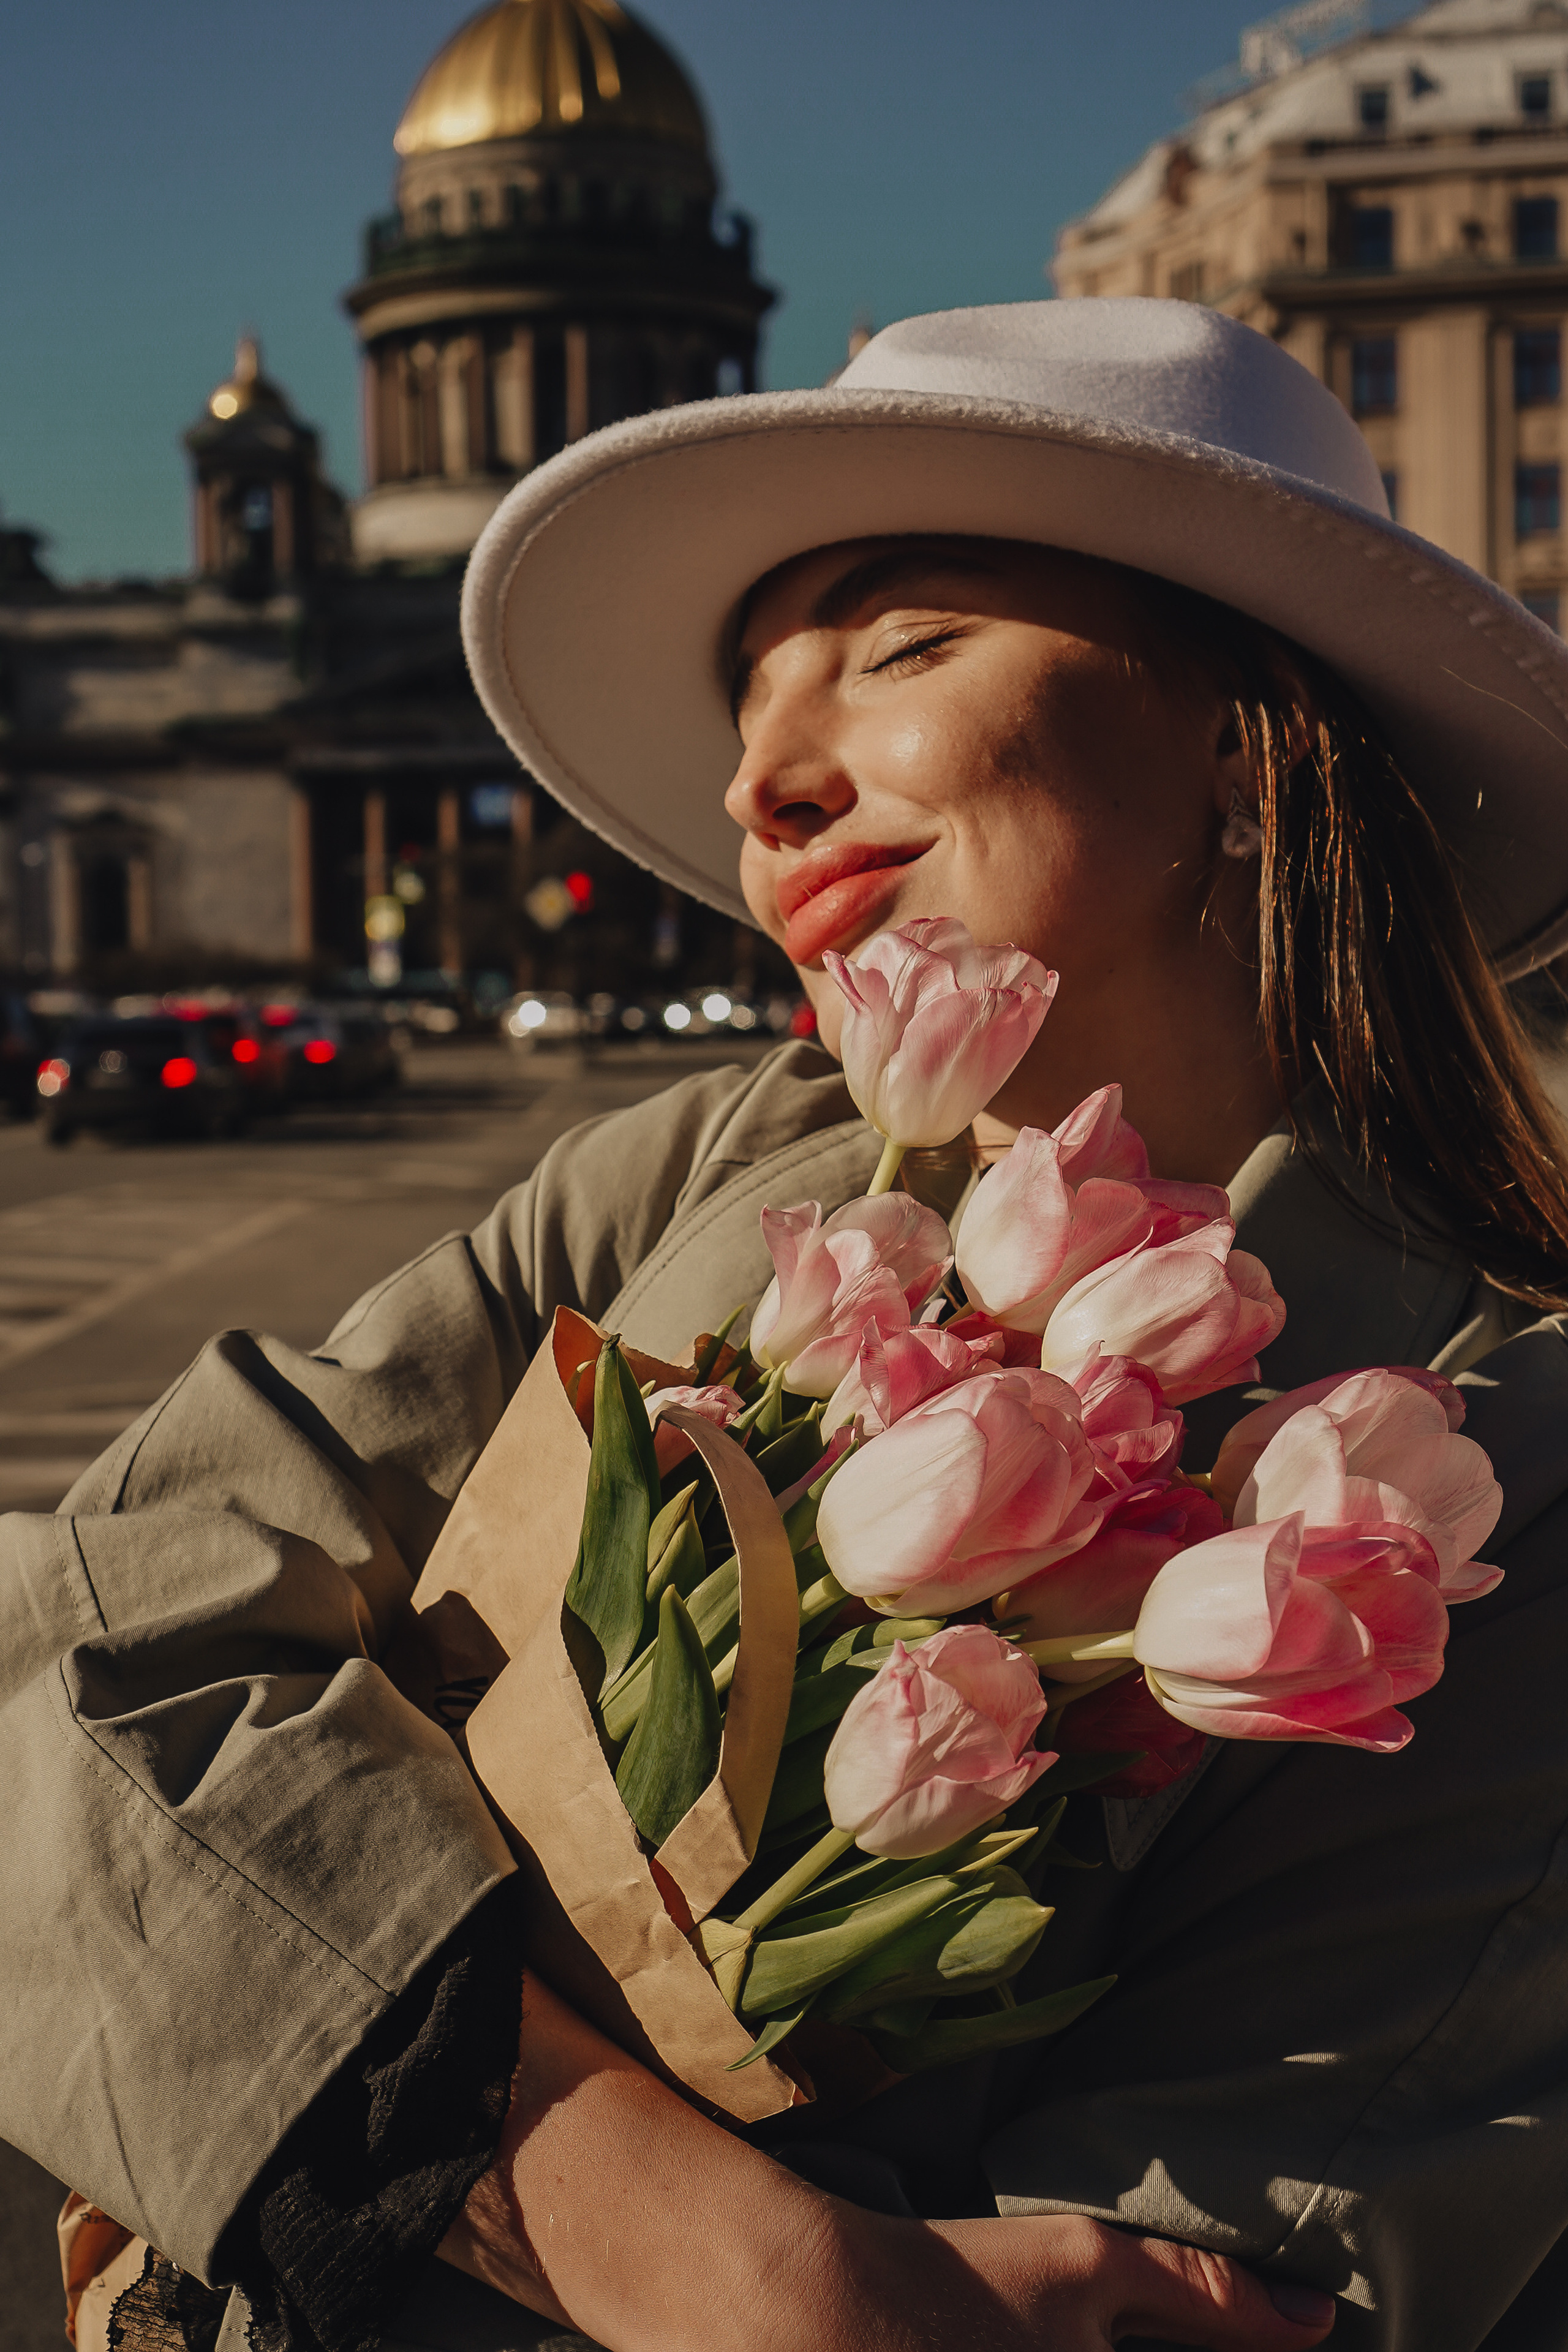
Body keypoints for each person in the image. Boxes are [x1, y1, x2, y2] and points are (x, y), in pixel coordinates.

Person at [8, 298, 1568, 2352]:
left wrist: (276, 2011)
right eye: (753, 702)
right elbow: (72, 1647)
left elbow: (1200, 2286)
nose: (764, 776)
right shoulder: (693, 1170)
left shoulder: (1492, 1460)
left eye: (904, 645)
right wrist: (700, 2244)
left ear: (1244, 732)